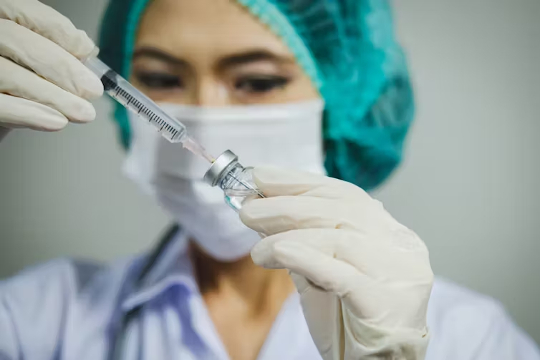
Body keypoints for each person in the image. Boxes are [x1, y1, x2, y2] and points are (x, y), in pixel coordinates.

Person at [0, 0, 538, 359]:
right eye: (162, 78)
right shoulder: (42, 316)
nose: (200, 117)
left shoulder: (468, 337)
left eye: (257, 81)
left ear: (342, 100)